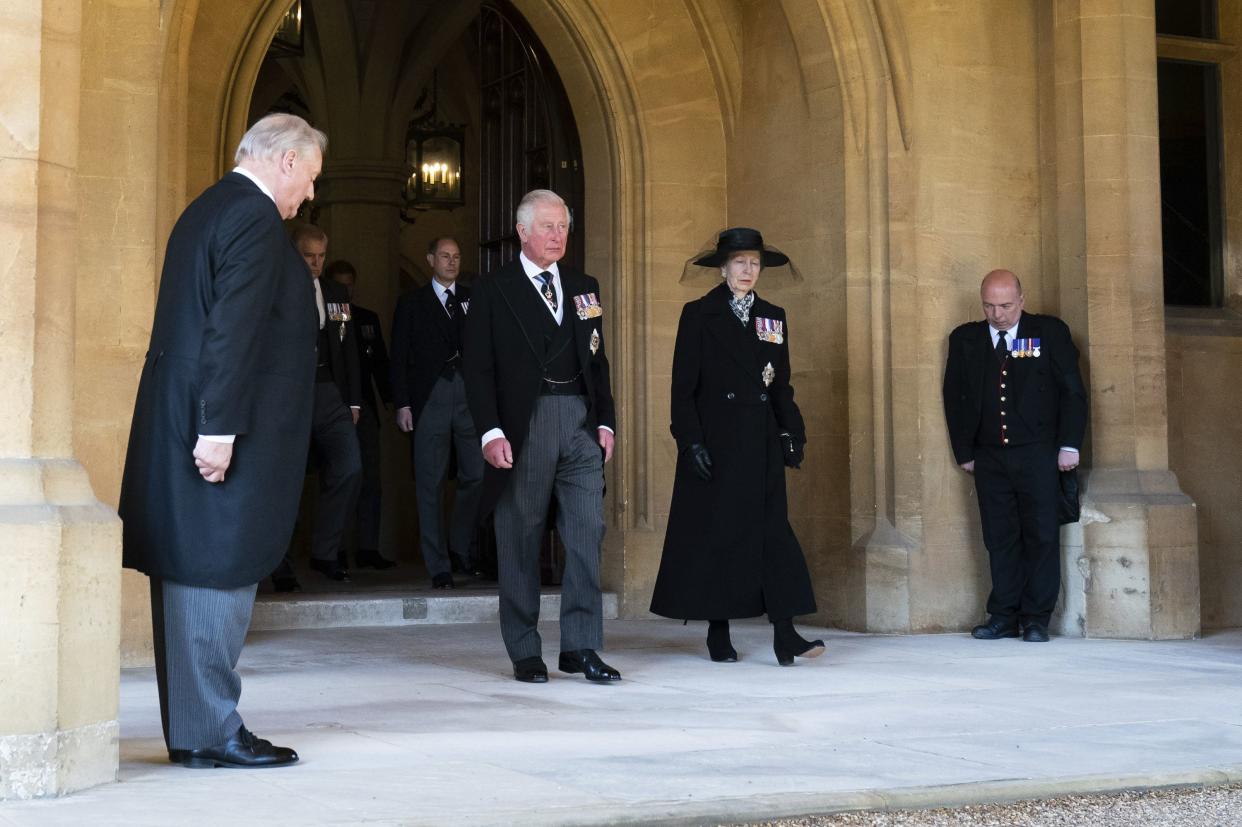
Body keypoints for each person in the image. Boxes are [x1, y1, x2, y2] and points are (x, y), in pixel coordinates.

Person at [118, 113, 325, 768]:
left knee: (190, 568)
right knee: (214, 565)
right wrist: (218, 431)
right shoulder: (255, 217)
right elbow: (230, 331)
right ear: (287, 160)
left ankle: (197, 729)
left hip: (186, 418)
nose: (311, 196)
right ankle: (213, 730)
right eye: (312, 178)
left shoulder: (210, 207)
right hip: (217, 430)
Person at [463, 189, 620, 684]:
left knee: (586, 531)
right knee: (520, 535)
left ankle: (581, 646)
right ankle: (525, 648)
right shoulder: (493, 289)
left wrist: (605, 421)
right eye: (548, 227)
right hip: (523, 423)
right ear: (522, 231)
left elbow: (597, 359)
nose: (558, 236)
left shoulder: (583, 285)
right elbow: (478, 369)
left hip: (578, 419)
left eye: (563, 228)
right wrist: (490, 431)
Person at [649, 227, 824, 666]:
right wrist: (690, 442)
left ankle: (785, 634)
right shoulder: (698, 314)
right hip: (717, 443)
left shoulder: (773, 316)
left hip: (760, 441)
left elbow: (781, 384)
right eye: (740, 262)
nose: (748, 270)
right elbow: (682, 389)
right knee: (718, 536)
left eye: (754, 263)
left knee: (773, 537)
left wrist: (792, 432)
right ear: (723, 268)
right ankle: (718, 631)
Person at [942, 269, 1087, 643]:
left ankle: (1036, 617)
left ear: (1021, 301)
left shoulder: (1048, 332)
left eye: (1006, 305)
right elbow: (953, 397)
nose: (998, 314)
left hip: (1039, 453)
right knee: (999, 535)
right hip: (989, 456)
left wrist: (1069, 445)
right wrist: (964, 452)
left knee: (1040, 533)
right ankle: (1003, 614)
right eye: (989, 305)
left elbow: (1071, 390)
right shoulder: (965, 339)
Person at [390, 237, 484, 588]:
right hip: (429, 397)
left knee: (476, 473)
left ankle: (460, 547)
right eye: (445, 256)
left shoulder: (472, 298)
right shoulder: (412, 303)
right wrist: (402, 403)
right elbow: (398, 356)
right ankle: (438, 564)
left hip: (469, 398)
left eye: (457, 257)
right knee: (429, 482)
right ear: (430, 259)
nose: (451, 262)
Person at [286, 224, 363, 584]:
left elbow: (348, 347)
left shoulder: (335, 293)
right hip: (292, 396)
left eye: (321, 256)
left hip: (332, 394)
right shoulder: (279, 287)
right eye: (309, 256)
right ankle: (280, 563)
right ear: (295, 253)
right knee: (287, 480)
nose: (316, 263)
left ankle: (324, 552)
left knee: (349, 468)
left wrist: (354, 400)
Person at [327, 258, 394, 571]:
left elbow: (379, 362)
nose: (347, 290)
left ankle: (368, 547)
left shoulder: (366, 317)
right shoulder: (332, 315)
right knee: (339, 478)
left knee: (372, 479)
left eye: (350, 283)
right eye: (341, 284)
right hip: (335, 406)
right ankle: (334, 549)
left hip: (365, 406)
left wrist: (394, 401)